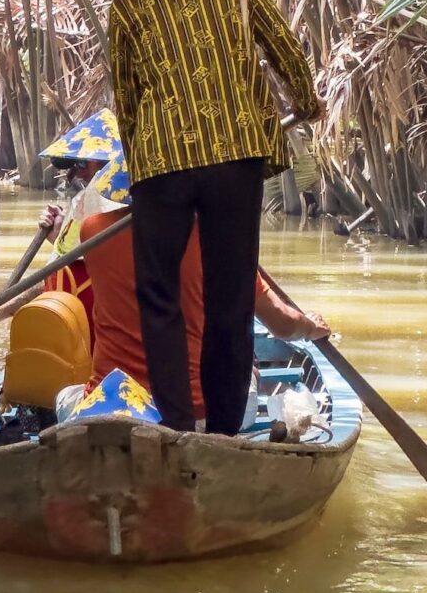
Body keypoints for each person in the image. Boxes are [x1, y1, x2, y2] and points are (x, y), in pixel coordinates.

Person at [96, 0, 325, 435]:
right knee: (230, 296)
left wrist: (143, 159)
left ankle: (177, 426)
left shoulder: (127, 8)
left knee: (159, 294)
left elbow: (126, 100)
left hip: (163, 166)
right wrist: (307, 103)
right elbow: (286, 50)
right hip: (235, 157)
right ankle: (222, 431)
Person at [56, 155, 329, 426]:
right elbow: (281, 323)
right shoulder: (221, 242)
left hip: (110, 405)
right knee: (249, 375)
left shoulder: (92, 231)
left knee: (64, 396)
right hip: (195, 413)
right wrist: (308, 327)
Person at [0, 109, 122, 338]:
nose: (78, 175)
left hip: (98, 320)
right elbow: (76, 256)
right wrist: (60, 234)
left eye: (83, 165)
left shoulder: (99, 200)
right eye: (75, 167)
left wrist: (3, 308)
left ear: (107, 164)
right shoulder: (94, 204)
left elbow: (61, 273)